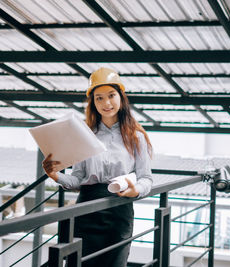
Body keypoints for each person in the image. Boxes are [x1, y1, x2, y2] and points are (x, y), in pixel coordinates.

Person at [42, 67, 153, 267]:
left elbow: (146, 178)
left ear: (121, 97)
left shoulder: (136, 137)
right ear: (92, 102)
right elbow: (77, 179)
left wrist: (135, 191)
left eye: (111, 95)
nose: (106, 103)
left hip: (119, 210)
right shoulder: (85, 134)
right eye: (99, 98)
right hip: (86, 210)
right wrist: (55, 175)